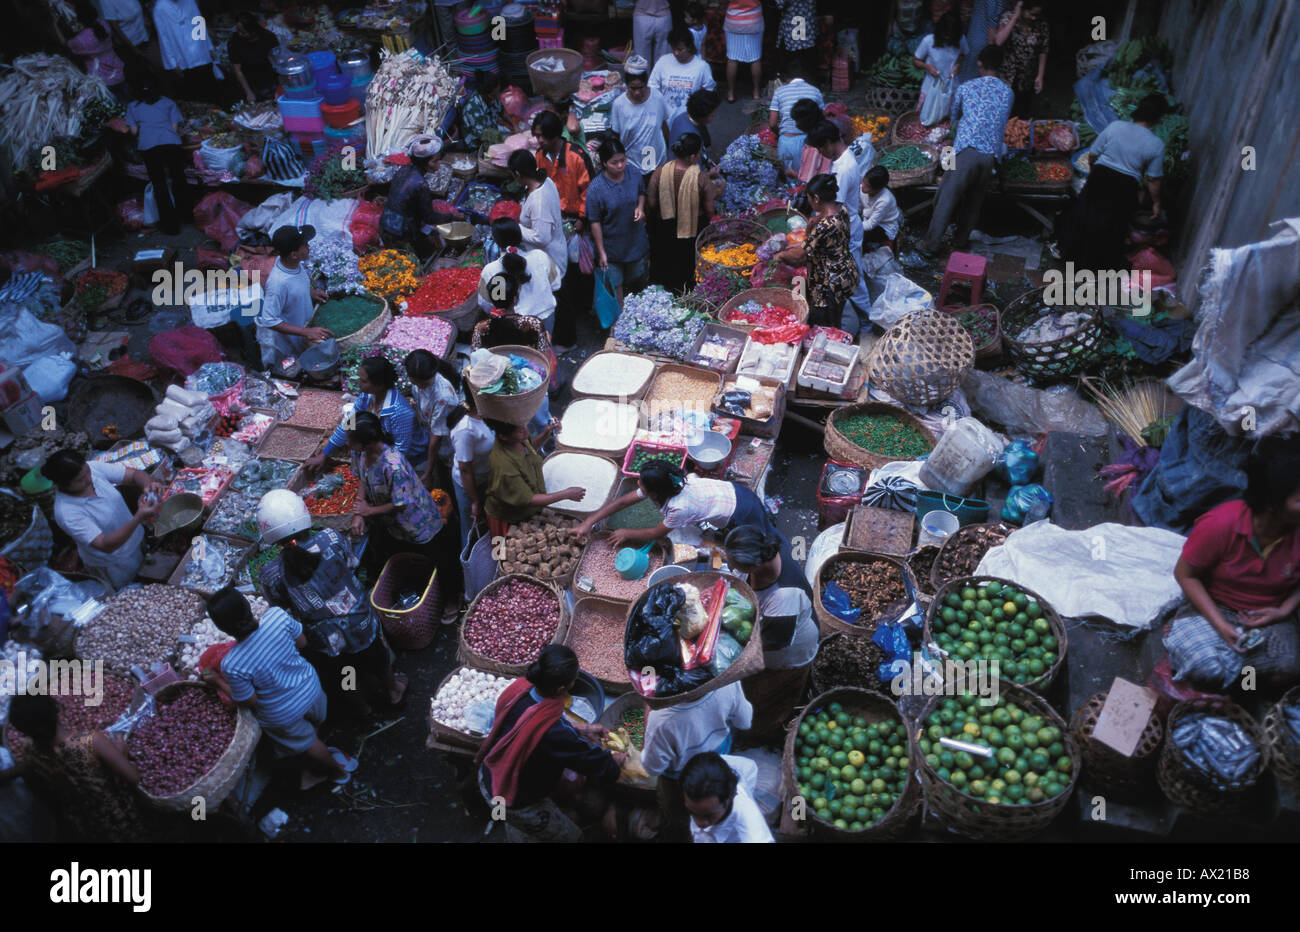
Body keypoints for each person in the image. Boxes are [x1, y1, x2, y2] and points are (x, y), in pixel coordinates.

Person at [255, 490, 411, 706]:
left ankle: (361, 706)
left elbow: (282, 608)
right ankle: (393, 690)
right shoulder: (331, 538)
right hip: (359, 619)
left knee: (345, 669)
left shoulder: (271, 574)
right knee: (376, 654)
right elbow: (352, 565)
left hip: (325, 637)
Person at [1168, 442, 1300, 694]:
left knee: (1289, 670)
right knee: (1206, 666)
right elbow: (1185, 575)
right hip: (1215, 606)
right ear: (1273, 504)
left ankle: (1237, 685)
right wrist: (1221, 626)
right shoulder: (1221, 524)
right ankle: (1235, 678)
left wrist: (1282, 611)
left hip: (1269, 615)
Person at [205, 587, 354, 790]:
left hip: (283, 714)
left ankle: (337, 772)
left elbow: (249, 700)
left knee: (307, 741)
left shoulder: (232, 664)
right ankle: (320, 746)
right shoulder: (277, 617)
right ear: (248, 605)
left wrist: (216, 681)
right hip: (311, 688)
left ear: (223, 629)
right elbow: (302, 643)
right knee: (311, 722)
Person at [475, 645, 623, 842]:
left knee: (518, 827)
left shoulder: (520, 687)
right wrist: (615, 762)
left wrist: (582, 729)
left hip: (488, 774)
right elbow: (598, 765)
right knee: (572, 836)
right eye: (573, 679)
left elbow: (535, 721)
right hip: (508, 794)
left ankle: (518, 830)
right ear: (561, 689)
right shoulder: (554, 734)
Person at [0, 695, 150, 842]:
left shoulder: (28, 749)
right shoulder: (90, 743)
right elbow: (133, 777)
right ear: (56, 710)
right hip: (113, 810)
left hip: (81, 813)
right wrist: (121, 749)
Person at [343, 412, 459, 596]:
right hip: (394, 525)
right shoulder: (359, 454)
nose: (347, 442)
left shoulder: (393, 464)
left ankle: (450, 598)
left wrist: (369, 511)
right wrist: (359, 511)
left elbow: (402, 503)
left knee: (437, 560)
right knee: (408, 560)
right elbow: (362, 479)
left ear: (366, 442)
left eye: (350, 439)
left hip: (418, 522)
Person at [724, 525, 819, 738]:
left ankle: (762, 731)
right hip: (773, 628)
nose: (728, 562)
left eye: (732, 561)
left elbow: (773, 643)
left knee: (769, 695)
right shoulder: (767, 549)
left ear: (755, 566)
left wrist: (732, 645)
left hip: (789, 652)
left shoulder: (784, 599)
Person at [920, 45, 1013, 255]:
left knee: (947, 197)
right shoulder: (1008, 93)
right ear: (1001, 66)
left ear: (979, 63)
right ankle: (961, 241)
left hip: (965, 151)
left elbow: (953, 118)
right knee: (974, 200)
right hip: (989, 156)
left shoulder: (966, 87)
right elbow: (1002, 121)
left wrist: (955, 133)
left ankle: (931, 245)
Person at [1057, 94, 1166, 271]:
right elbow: (1154, 179)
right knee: (1112, 225)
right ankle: (1098, 266)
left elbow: (1093, 154)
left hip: (1101, 175)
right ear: (1158, 119)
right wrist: (1156, 203)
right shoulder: (1156, 144)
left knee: (1084, 215)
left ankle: (1069, 255)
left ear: (1136, 112)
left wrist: (1094, 172)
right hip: (1126, 185)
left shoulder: (1116, 127)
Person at [572, 460, 777, 546]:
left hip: (740, 511)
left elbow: (655, 534)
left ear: (654, 492)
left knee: (759, 538)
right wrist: (590, 521)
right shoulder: (670, 483)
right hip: (737, 492)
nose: (637, 484)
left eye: (641, 484)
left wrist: (627, 533)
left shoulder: (679, 508)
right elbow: (623, 501)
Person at [642, 683, 752, 839]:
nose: (701, 822)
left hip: (676, 782)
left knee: (680, 818)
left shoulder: (660, 718)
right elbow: (744, 722)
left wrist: (649, 710)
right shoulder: (729, 685)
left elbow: (653, 767)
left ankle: (683, 834)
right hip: (720, 762)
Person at [42, 449, 158, 592]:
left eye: (87, 472)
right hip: (116, 563)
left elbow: (134, 475)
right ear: (64, 484)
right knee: (136, 590)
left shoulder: (92, 468)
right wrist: (138, 518)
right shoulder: (66, 512)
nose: (88, 478)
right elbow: (105, 544)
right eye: (80, 480)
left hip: (136, 540)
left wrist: (148, 487)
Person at [310, 355, 429, 473]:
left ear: (379, 385)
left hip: (412, 459)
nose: (358, 383)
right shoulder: (367, 396)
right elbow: (349, 423)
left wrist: (376, 471)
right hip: (385, 452)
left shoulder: (399, 412)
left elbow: (400, 451)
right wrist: (325, 454)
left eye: (364, 381)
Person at [807, 121, 872, 334]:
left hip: (847, 227)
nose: (821, 153)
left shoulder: (844, 169)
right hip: (848, 222)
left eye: (820, 149)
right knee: (851, 274)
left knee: (854, 278)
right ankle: (859, 319)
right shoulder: (842, 159)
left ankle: (866, 323)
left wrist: (816, 224)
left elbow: (834, 205)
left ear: (828, 143)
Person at [775, 173, 859, 327]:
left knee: (826, 324)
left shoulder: (825, 227)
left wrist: (781, 255)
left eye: (808, 198)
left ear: (816, 199)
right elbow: (817, 232)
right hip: (846, 271)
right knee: (835, 314)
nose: (808, 202)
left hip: (830, 283)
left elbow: (800, 253)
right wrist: (814, 222)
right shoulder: (842, 208)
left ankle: (830, 343)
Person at [482, 417, 583, 536]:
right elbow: (529, 499)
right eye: (520, 431)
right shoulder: (503, 466)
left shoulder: (517, 440)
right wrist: (566, 494)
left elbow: (530, 448)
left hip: (530, 510)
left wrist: (547, 432)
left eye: (525, 426)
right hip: (509, 517)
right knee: (503, 552)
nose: (527, 431)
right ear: (504, 437)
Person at [647, 132, 718, 294]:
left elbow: (651, 203)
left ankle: (663, 291)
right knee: (686, 265)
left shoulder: (659, 172)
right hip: (691, 230)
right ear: (693, 157)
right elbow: (709, 210)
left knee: (665, 261)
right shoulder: (701, 179)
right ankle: (686, 293)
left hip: (664, 228)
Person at [254, 224, 331, 370]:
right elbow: (269, 321)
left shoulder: (293, 263)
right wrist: (307, 332)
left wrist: (311, 292)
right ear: (294, 254)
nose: (309, 247)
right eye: (305, 245)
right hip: (292, 342)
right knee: (302, 366)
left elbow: (297, 282)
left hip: (305, 326)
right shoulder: (278, 284)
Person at [120, 77, 190, 235]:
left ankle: (171, 227)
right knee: (178, 178)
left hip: (148, 146)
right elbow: (174, 127)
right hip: (170, 142)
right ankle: (187, 216)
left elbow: (134, 131)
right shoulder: (168, 102)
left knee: (159, 185)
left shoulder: (132, 106)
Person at [586, 137, 650, 306]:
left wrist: (640, 207)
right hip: (612, 247)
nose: (621, 166)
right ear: (604, 163)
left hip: (635, 241)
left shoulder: (633, 173)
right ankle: (619, 323)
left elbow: (642, 192)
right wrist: (602, 252)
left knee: (637, 279)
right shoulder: (596, 189)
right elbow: (594, 221)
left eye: (623, 160)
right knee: (616, 286)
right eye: (615, 162)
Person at [477, 218, 560, 335]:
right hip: (545, 318)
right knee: (544, 350)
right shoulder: (540, 257)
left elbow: (487, 304)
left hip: (515, 327)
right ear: (520, 236)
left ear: (496, 241)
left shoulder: (491, 271)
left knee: (520, 353)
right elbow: (556, 285)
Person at [509, 151, 569, 302]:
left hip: (551, 259)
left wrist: (516, 227)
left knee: (556, 301)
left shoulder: (538, 201)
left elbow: (542, 238)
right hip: (557, 250)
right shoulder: (545, 180)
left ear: (517, 174)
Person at [680, 751, 774, 843]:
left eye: (708, 816)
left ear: (730, 798)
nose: (699, 822)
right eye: (692, 812)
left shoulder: (753, 833)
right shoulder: (706, 770)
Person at [404, 350, 464, 490]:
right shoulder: (419, 380)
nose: (419, 386)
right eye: (415, 382)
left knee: (450, 477)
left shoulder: (443, 397)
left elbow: (436, 439)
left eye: (422, 384)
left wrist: (428, 472)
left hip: (446, 443)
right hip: (431, 434)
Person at [380, 135, 445, 260]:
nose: (439, 164)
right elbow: (429, 217)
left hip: (385, 225)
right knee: (408, 265)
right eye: (435, 161)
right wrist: (453, 217)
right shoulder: (421, 184)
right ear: (425, 163)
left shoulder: (403, 170)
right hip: (399, 234)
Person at [448, 391, 495, 549]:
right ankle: (470, 566)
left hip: (487, 477)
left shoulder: (487, 412)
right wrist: (474, 501)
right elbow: (465, 470)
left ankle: (493, 555)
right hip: (470, 486)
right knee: (470, 529)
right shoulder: (465, 430)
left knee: (488, 522)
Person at [152, 0, 222, 102]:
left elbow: (199, 23)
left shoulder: (189, 1)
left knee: (212, 88)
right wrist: (172, 63)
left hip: (201, 52)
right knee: (196, 95)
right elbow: (163, 38)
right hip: (183, 58)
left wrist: (209, 48)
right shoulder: (159, 8)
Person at [990, 0, 1048, 118]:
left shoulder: (1041, 23)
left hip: (1026, 75)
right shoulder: (1008, 17)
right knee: (1003, 111)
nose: (1033, 18)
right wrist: (1015, 17)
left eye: (1036, 15)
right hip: (1007, 75)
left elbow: (1043, 49)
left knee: (1021, 112)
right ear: (1022, 9)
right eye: (1031, 14)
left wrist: (1040, 75)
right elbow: (999, 41)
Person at [611, 57, 670, 172]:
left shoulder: (657, 98)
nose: (637, 92)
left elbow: (663, 127)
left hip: (657, 163)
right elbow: (615, 136)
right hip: (631, 164)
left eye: (641, 88)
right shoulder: (618, 105)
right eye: (632, 88)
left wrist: (670, 152)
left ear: (646, 83)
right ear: (626, 84)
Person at [532, 110, 593, 221]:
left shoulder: (576, 157)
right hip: (554, 215)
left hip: (578, 217)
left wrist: (582, 218)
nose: (540, 140)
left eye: (544, 136)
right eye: (537, 136)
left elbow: (589, 191)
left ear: (555, 134)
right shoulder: (540, 156)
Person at [59, 0, 126, 97]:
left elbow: (65, 45)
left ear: (80, 18)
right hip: (117, 66)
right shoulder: (104, 24)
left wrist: (54, 24)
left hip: (101, 77)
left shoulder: (82, 39)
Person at [649, 27, 717, 121]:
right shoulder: (663, 61)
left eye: (680, 49)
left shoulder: (702, 67)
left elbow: (709, 92)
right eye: (673, 49)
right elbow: (652, 87)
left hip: (691, 119)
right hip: (665, 118)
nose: (676, 53)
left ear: (689, 47)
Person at [769, 61, 823, 175]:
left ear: (785, 77)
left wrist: (780, 134)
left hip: (787, 142)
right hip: (811, 141)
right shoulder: (815, 91)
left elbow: (772, 123)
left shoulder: (779, 91)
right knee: (809, 176)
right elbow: (822, 120)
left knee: (790, 180)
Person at [914, 12, 968, 126]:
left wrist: (957, 65)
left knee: (945, 123)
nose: (948, 38)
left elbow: (963, 54)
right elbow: (916, 60)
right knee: (926, 120)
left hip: (950, 88)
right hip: (930, 87)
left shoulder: (961, 39)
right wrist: (928, 67)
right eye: (946, 35)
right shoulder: (928, 41)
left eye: (951, 36)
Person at [226, 12, 278, 104]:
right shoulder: (234, 42)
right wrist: (248, 92)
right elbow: (238, 70)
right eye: (238, 31)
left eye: (243, 32)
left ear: (253, 30)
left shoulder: (269, 38)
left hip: (270, 78)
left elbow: (278, 61)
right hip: (250, 81)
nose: (240, 34)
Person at [668, 88, 722, 172]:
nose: (713, 117)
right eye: (712, 115)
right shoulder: (691, 138)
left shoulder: (682, 117)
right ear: (702, 116)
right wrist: (708, 175)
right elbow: (691, 171)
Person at [723, 0, 764, 102]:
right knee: (755, 58)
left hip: (733, 21)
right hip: (754, 21)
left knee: (732, 59)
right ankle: (756, 91)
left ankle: (731, 93)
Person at [460, 70, 508, 150]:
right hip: (477, 142)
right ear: (484, 94)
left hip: (492, 131)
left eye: (498, 92)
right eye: (495, 95)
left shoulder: (493, 97)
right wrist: (506, 140)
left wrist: (514, 125)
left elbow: (502, 112)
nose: (498, 96)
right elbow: (484, 134)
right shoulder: (472, 109)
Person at [860, 165, 901, 249]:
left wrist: (850, 227)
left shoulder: (884, 200)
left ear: (877, 189)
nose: (863, 186)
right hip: (867, 217)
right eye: (863, 181)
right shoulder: (862, 189)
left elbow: (871, 224)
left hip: (883, 226)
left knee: (857, 236)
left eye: (867, 185)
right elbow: (858, 207)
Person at [791, 98, 832, 182]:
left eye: (797, 121)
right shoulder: (827, 129)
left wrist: (793, 174)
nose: (796, 125)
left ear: (805, 121)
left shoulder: (813, 144)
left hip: (820, 187)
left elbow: (808, 179)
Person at [632, 0, 673, 80]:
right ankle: (645, 84)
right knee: (644, 57)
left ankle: (657, 83)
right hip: (654, 14)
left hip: (648, 14)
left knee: (644, 57)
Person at [774, 0, 817, 68]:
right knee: (807, 61)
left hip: (793, 30)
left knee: (794, 62)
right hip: (808, 28)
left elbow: (779, 4)